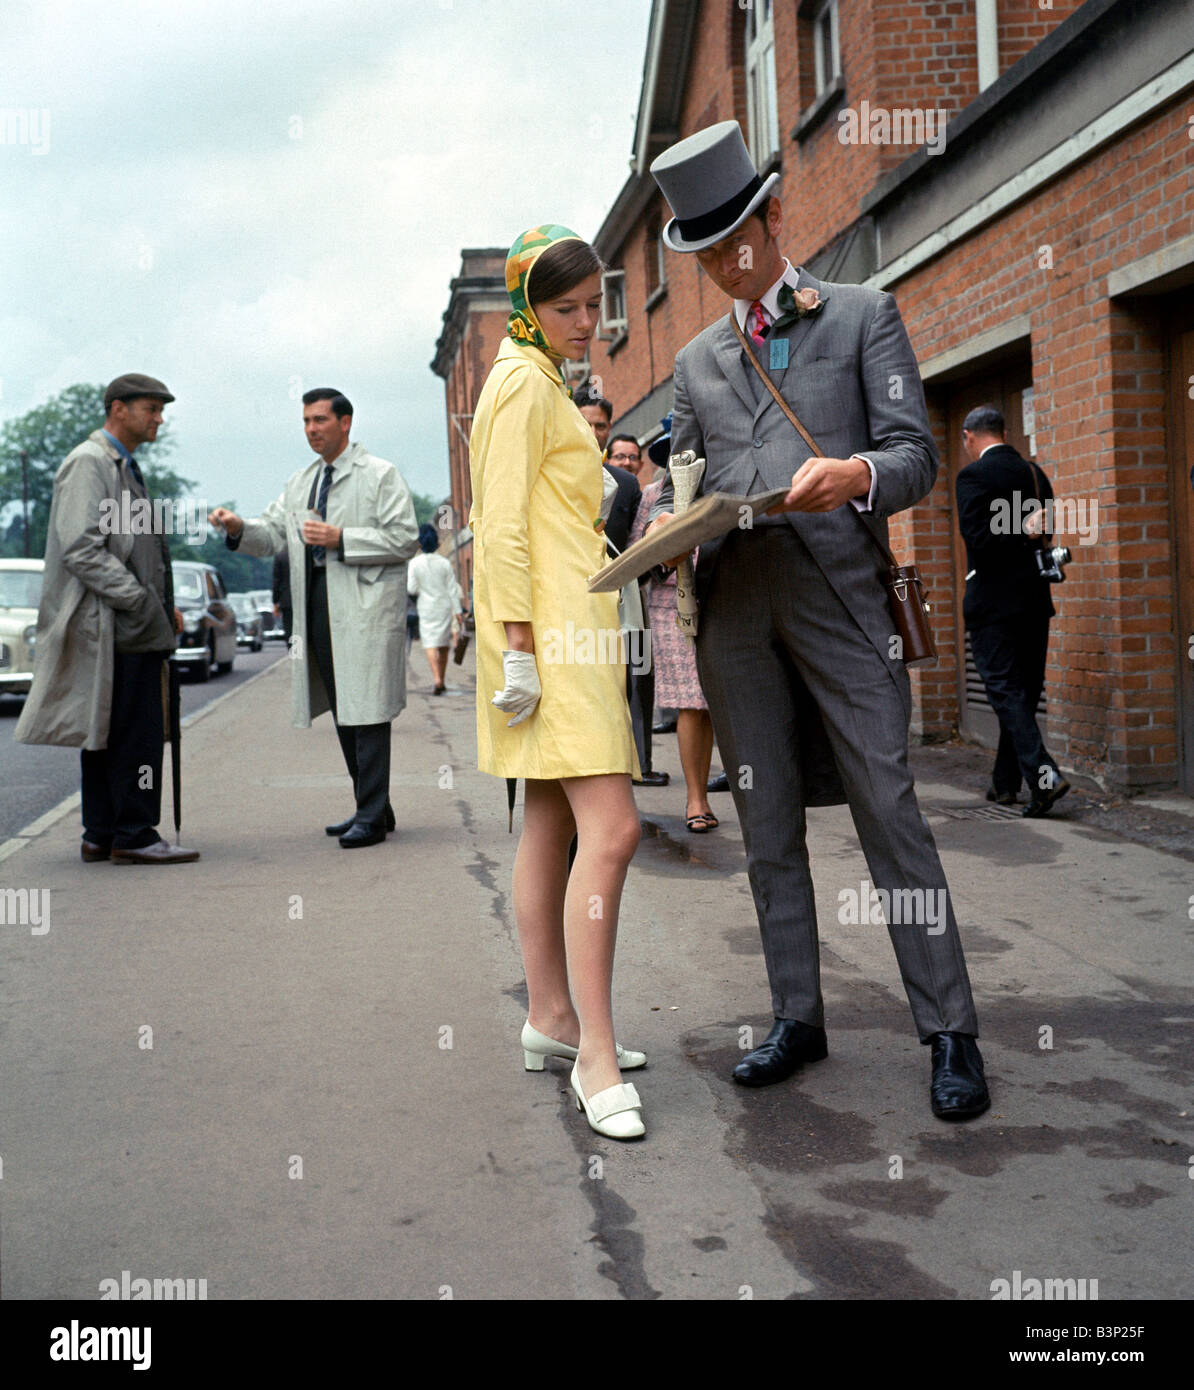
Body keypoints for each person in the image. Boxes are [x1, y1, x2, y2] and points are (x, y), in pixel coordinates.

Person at [646, 121, 988, 1120]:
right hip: (737, 615)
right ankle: (797, 1014)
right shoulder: (698, 363)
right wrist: (669, 526)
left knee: (891, 808)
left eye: (730, 245)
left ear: (774, 219)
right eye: (700, 254)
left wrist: (858, 475)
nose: (718, 267)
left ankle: (952, 1029)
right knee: (765, 821)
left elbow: (915, 457)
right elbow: (692, 479)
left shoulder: (862, 315)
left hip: (842, 601)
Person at [470, 224, 646, 1140]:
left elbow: (546, 518)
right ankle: (596, 1056)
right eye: (568, 308)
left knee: (550, 821)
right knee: (611, 831)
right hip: (552, 639)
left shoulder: (536, 379)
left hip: (565, 630)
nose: (588, 323)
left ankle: (552, 1017)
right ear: (529, 307)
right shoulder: (518, 384)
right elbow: (497, 526)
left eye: (594, 305)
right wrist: (522, 649)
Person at [209, 389, 418, 848]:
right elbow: (271, 535)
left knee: (369, 707)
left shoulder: (380, 475)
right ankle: (374, 808)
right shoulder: (301, 481)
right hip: (319, 603)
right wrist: (238, 529)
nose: (311, 429)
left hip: (363, 606)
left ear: (346, 422)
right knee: (346, 706)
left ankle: (370, 813)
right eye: (306, 421)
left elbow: (405, 539)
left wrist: (342, 538)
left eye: (320, 419)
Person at [16, 374, 198, 864]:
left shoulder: (120, 464)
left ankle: (101, 833)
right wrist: (138, 600)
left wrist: (158, 602)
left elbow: (135, 548)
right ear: (118, 408)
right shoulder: (91, 462)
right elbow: (81, 546)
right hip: (116, 620)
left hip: (126, 618)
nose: (159, 418)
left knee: (109, 728)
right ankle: (134, 834)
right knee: (136, 732)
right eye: (152, 408)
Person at [956, 404, 1069, 816]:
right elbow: (1044, 532)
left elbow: (977, 540)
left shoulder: (972, 476)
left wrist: (1014, 529)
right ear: (1004, 432)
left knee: (1004, 689)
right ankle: (1005, 784)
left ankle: (1044, 776)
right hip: (1035, 600)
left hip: (993, 604)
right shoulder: (1036, 475)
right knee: (1020, 692)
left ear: (968, 436)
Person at [629, 473, 717, 832]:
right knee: (691, 702)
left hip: (720, 599)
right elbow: (638, 552)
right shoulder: (655, 493)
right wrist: (669, 556)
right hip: (672, 607)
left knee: (709, 703)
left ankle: (705, 797)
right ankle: (696, 800)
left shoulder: (719, 482)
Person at [407, 522, 464, 695]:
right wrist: (459, 611)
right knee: (443, 645)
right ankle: (442, 678)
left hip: (426, 607)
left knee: (430, 644)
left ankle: (436, 678)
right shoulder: (444, 563)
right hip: (443, 606)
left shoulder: (415, 564)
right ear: (436, 542)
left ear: (420, 543)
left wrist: (422, 590)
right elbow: (452, 589)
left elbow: (411, 588)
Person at [272, 550, 292, 644]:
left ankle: (296, 655)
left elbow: (277, 582)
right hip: (308, 600)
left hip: (287, 601)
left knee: (291, 632)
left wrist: (275, 602)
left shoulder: (281, 556)